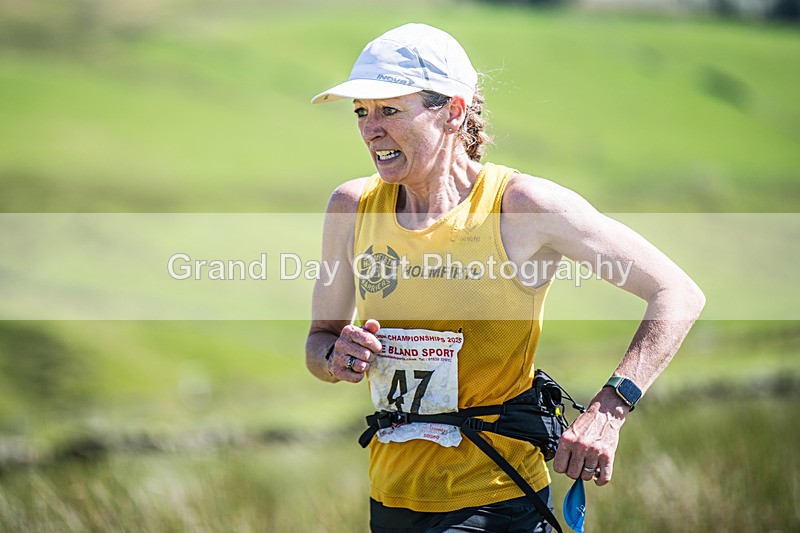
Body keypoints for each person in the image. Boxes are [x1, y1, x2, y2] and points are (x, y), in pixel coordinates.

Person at [305, 23, 705, 533]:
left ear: (453, 111)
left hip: (496, 501)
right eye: (361, 112)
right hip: (390, 503)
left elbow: (677, 292)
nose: (369, 130)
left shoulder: (520, 207)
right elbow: (318, 343)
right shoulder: (352, 207)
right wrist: (336, 358)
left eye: (389, 110)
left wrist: (609, 409)